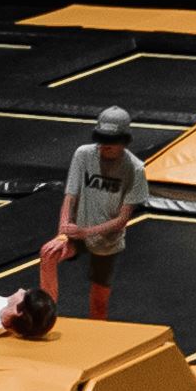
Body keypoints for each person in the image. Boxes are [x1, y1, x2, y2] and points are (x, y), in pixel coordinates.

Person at [47, 121, 147, 325]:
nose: (104, 146)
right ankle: (45, 318)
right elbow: (70, 196)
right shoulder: (83, 154)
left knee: (99, 302)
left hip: (106, 240)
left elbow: (122, 219)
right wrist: (62, 233)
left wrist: (86, 231)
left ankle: (97, 333)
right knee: (48, 253)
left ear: (123, 142)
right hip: (76, 231)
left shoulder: (135, 169)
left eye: (110, 142)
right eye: (102, 140)